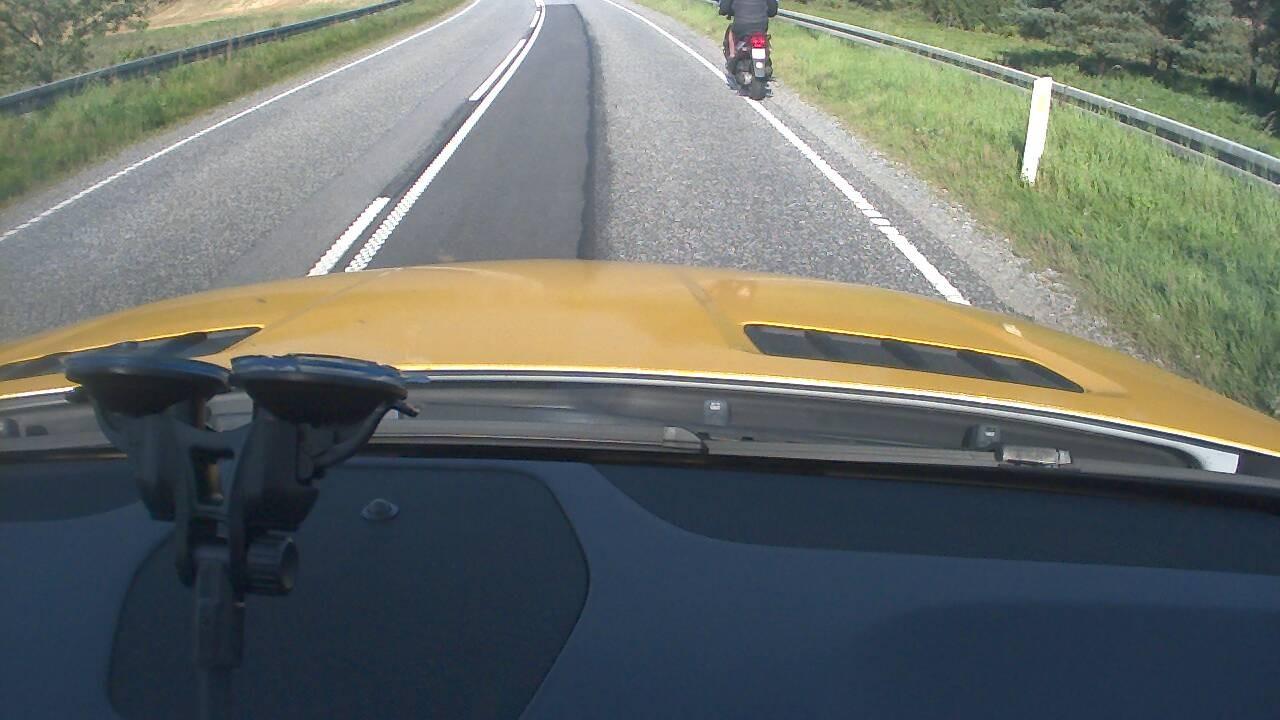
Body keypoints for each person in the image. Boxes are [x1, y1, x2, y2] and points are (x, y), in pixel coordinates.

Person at [719, 0, 778, 74]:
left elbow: (724, 8)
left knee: (731, 31)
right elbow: (773, 11)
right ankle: (766, 54)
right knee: (763, 36)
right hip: (761, 26)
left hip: (741, 25)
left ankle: (732, 55)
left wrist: (723, 11)